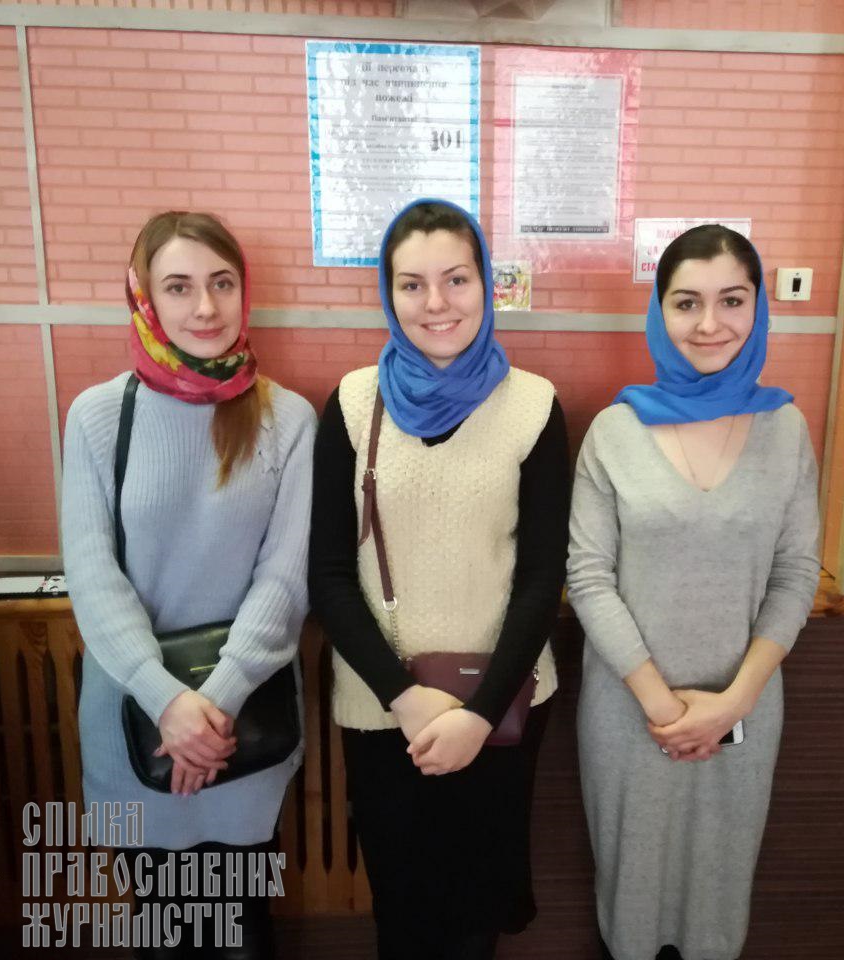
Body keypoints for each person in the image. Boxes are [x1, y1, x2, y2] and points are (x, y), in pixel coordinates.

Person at [308, 198, 570, 960]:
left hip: (502, 705)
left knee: (476, 918)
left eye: (456, 279)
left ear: (486, 284)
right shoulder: (354, 403)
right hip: (382, 708)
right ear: (387, 294)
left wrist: (477, 716)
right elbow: (329, 574)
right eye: (412, 284)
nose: (436, 303)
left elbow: (542, 576)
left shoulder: (533, 406)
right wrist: (405, 697)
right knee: (404, 913)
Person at [61, 211, 315, 960]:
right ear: (144, 297)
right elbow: (92, 575)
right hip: (133, 721)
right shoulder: (98, 416)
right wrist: (167, 702)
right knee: (160, 929)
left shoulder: (288, 418)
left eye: (222, 284)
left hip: (245, 725)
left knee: (242, 930)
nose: (205, 307)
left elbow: (286, 578)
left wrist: (215, 706)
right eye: (179, 287)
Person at [566, 225, 821, 960]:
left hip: (744, 711)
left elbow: (796, 573)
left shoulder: (786, 430)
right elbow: (588, 577)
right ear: (660, 312)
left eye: (732, 300)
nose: (710, 324)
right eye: (687, 303)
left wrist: (734, 702)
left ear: (758, 307)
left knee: (717, 901)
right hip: (629, 715)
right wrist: (661, 707)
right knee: (631, 901)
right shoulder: (614, 432)